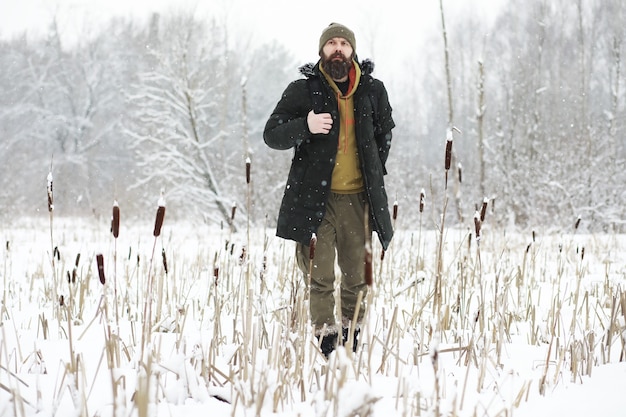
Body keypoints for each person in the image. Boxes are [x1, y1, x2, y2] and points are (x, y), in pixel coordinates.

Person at [263, 22, 395, 357]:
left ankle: (352, 341)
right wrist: (304, 125)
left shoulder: (373, 91)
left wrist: (375, 169)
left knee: (357, 278)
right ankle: (326, 344)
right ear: (322, 50)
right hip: (315, 202)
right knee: (319, 277)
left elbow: (385, 135)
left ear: (353, 50)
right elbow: (272, 134)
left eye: (344, 44)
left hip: (357, 201)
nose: (338, 49)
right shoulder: (303, 90)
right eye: (331, 43)